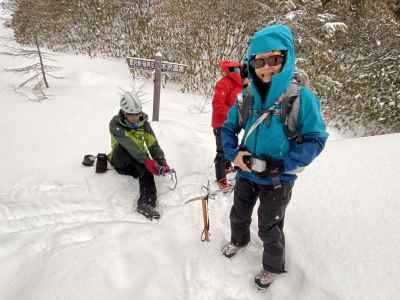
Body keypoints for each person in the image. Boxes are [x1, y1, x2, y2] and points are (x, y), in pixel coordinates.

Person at [220, 24, 328, 290]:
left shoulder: (300, 98)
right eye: (259, 61)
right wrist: (234, 155)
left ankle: (272, 266)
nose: (266, 67)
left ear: (286, 57)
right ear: (251, 63)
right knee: (239, 213)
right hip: (246, 172)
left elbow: (316, 138)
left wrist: (283, 165)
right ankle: (239, 240)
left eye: (274, 59)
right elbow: (228, 127)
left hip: (278, 179)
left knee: (270, 225)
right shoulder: (246, 96)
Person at [108, 90, 170, 220]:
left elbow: (152, 144)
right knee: (126, 150)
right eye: (131, 115)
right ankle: (145, 200)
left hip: (139, 161)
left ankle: (146, 203)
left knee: (145, 171)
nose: (135, 117)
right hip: (121, 160)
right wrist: (147, 161)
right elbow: (130, 146)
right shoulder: (115, 124)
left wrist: (160, 161)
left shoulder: (144, 124)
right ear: (124, 112)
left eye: (137, 114)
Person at [211, 59, 243, 192]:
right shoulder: (223, 84)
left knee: (230, 145)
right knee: (222, 150)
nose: (238, 72)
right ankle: (221, 178)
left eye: (239, 69)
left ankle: (226, 167)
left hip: (232, 124)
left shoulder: (239, 84)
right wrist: (231, 115)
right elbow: (218, 104)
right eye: (235, 69)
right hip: (221, 123)